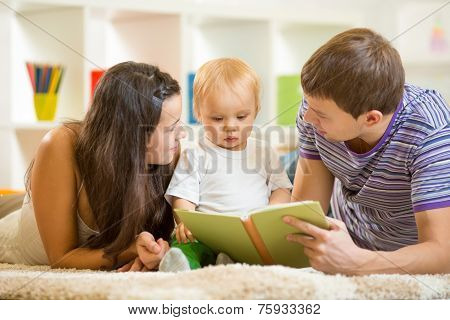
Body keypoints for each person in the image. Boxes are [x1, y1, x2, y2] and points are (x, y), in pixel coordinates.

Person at [284, 28, 450, 275]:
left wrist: (356, 262)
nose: (308, 117)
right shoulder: (316, 107)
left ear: (371, 119)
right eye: (308, 104)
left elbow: (442, 254)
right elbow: (305, 212)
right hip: (346, 229)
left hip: (400, 254)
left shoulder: (430, 131)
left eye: (320, 114)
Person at [0, 61, 186, 271]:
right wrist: (131, 250)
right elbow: (61, 259)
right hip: (10, 223)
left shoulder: (170, 154)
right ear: (132, 134)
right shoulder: (61, 145)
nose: (182, 134)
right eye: (170, 129)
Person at [160, 58, 293, 271]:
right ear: (199, 114)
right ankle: (184, 263)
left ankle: (230, 260)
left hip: (251, 234)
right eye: (218, 118)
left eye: (241, 117)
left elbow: (282, 189)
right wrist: (186, 222)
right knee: (186, 244)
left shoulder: (264, 151)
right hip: (205, 234)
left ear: (256, 110)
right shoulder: (195, 153)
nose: (231, 127)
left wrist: (269, 213)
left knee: (275, 248)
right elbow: (183, 196)